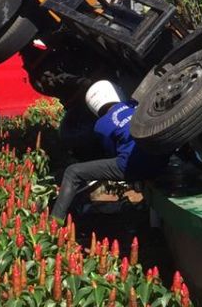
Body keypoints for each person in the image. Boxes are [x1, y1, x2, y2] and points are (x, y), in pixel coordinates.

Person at [50, 80, 161, 221]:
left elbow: (111, 151)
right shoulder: (134, 106)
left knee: (73, 172)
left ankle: (54, 223)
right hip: (160, 156)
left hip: (132, 166)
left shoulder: (101, 125)